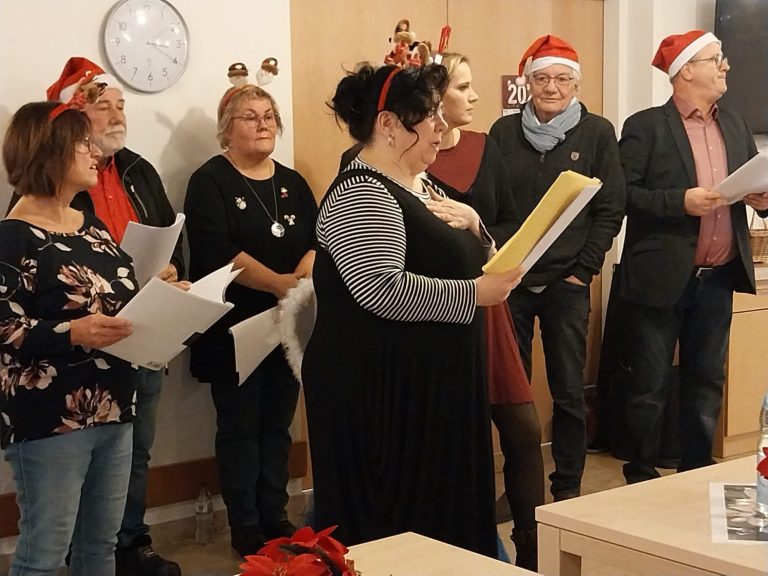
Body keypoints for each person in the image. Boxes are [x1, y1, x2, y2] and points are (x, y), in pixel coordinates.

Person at [302, 62, 522, 557]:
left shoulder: (420, 183)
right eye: (429, 116)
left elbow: (459, 257)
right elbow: (380, 288)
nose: (442, 127)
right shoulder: (362, 191)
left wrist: (481, 231)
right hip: (382, 396)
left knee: (445, 523)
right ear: (388, 124)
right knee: (396, 533)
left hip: (431, 388)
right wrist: (476, 294)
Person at [35, 56, 184, 576]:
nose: (119, 115)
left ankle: (130, 543)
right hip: (79, 356)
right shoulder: (42, 193)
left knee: (135, 449)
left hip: (143, 333)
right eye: (106, 107)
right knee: (79, 467)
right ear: (75, 118)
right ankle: (82, 551)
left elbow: (169, 236)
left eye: (123, 106)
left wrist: (170, 273)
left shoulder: (139, 169)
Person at [618, 30, 768, 484]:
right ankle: (640, 477)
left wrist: (762, 199)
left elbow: (751, 184)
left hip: (718, 279)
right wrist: (680, 202)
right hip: (660, 278)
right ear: (686, 71)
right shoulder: (646, 126)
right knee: (649, 385)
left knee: (706, 382)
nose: (725, 66)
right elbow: (623, 195)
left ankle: (696, 474)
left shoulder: (735, 125)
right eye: (715, 58)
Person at [1, 101, 137, 575]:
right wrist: (72, 331)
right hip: (50, 416)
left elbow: (118, 298)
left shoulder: (92, 226)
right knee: (44, 554)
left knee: (100, 546)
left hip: (114, 404)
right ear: (49, 151)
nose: (95, 151)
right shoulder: (13, 236)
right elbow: (4, 325)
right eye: (83, 142)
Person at [184, 79, 317, 557]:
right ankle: (245, 522)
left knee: (279, 424)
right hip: (233, 328)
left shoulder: (293, 182)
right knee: (240, 426)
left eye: (269, 117)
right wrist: (279, 283)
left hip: (288, 324)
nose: (263, 125)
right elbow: (217, 250)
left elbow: (317, 239)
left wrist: (299, 280)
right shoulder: (209, 181)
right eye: (250, 117)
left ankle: (275, 515)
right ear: (226, 130)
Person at [489, 35, 625, 501]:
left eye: (562, 79)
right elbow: (491, 204)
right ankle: (520, 489)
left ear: (576, 84)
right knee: (513, 392)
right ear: (527, 83)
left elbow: (610, 207)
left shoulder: (598, 132)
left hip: (568, 282)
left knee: (568, 389)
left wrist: (583, 271)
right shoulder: (502, 133)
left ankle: (568, 487)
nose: (552, 87)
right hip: (511, 282)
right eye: (542, 78)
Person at [426, 52, 544, 570]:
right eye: (462, 87)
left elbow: (509, 224)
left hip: (489, 307)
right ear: (433, 98)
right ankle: (467, 550)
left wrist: (475, 222)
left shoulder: (485, 146)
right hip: (435, 312)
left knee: (523, 430)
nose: (474, 96)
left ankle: (532, 551)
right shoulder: (394, 161)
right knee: (459, 440)